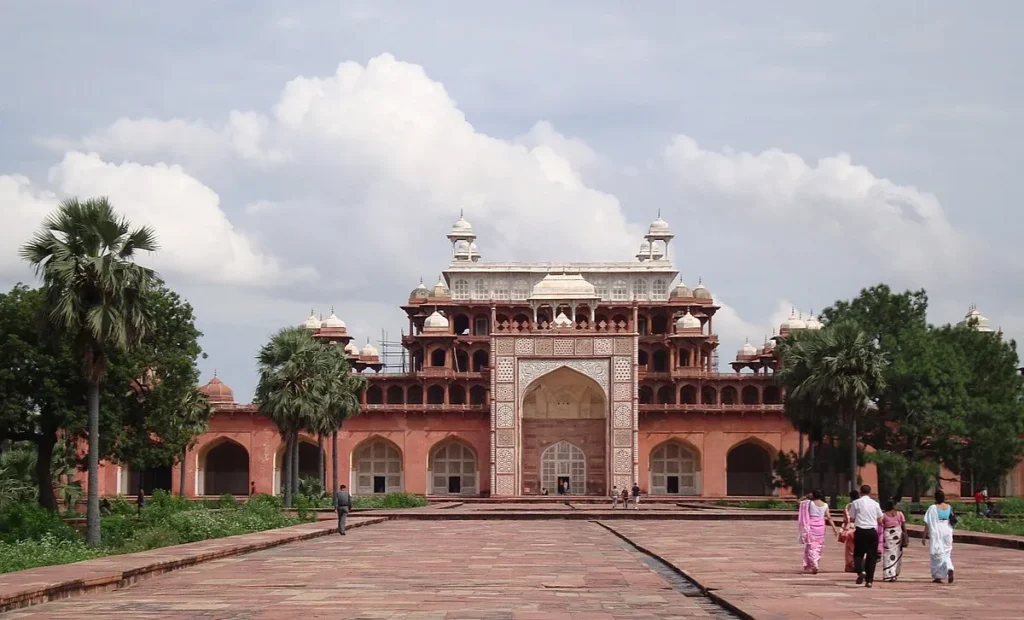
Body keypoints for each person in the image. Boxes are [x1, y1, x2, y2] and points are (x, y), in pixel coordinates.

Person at [848, 485, 883, 587]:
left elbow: (852, 518)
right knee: (871, 557)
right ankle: (869, 580)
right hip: (872, 532)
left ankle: (861, 571)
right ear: (870, 492)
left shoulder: (856, 503)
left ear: (860, 492)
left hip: (860, 531)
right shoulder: (875, 504)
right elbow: (880, 519)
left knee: (858, 554)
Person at [798, 490, 838, 574]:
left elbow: (799, 502)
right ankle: (815, 561)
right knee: (819, 545)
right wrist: (834, 528)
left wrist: (805, 496)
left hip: (811, 525)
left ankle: (814, 563)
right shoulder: (825, 505)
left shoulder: (809, 503)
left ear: (813, 495)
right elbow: (829, 517)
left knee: (811, 545)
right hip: (821, 526)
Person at [922, 490, 955, 583]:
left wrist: (924, 535)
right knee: (947, 553)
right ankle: (949, 567)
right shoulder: (949, 507)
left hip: (937, 530)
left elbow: (928, 522)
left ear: (935, 498)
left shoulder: (933, 508)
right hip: (947, 530)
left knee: (937, 553)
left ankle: (938, 576)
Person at [879, 498, 907, 582]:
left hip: (888, 535)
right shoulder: (899, 514)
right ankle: (894, 574)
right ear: (894, 505)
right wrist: (906, 535)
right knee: (897, 554)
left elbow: (881, 526)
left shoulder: (883, 515)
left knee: (888, 554)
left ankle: (888, 574)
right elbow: (904, 526)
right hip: (898, 534)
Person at [839, 489, 859, 573]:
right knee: (859, 548)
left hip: (849, 529)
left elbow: (845, 519)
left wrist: (842, 529)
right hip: (859, 527)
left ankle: (850, 566)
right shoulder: (860, 505)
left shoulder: (848, 506)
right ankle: (859, 564)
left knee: (850, 550)